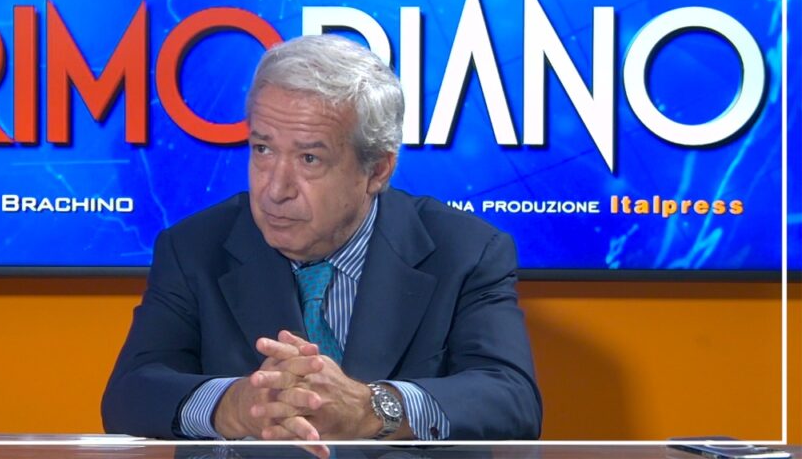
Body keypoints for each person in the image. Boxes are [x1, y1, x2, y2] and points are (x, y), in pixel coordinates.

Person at [101, 35, 541, 445]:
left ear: (377, 170)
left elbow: (511, 399)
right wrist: (233, 405)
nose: (275, 189)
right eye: (263, 150)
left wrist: (373, 408)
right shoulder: (194, 247)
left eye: (309, 158)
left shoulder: (465, 252)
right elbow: (130, 394)